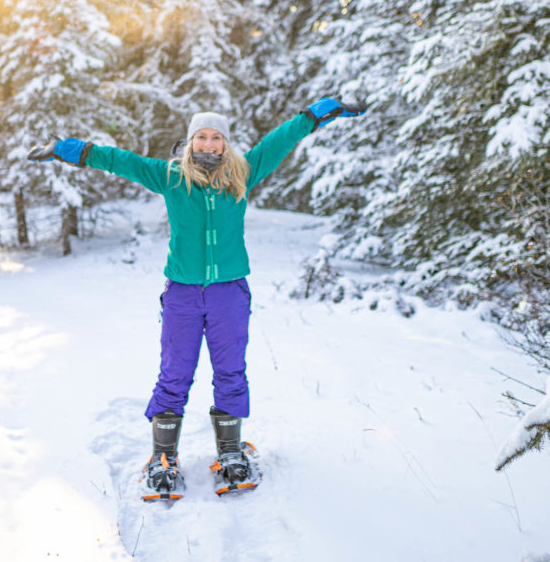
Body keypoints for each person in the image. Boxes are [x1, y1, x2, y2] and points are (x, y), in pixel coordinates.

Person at [28, 97, 365, 499]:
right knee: (174, 373)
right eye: (201, 137)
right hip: (183, 295)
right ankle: (163, 457)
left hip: (229, 294)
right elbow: (119, 160)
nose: (208, 144)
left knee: (230, 371)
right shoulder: (170, 176)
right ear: (190, 142)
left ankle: (230, 451)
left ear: (225, 143)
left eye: (216, 137)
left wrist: (315, 113)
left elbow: (281, 139)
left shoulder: (243, 173)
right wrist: (67, 149)